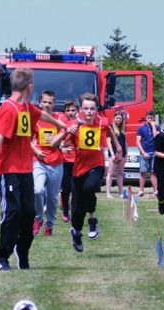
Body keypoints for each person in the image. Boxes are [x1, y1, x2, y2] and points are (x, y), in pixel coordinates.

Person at [0, 68, 69, 272]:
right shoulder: (8, 109)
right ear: (30, 87)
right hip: (9, 171)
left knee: (29, 213)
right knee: (12, 212)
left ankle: (22, 250)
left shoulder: (26, 106)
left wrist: (60, 123)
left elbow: (41, 114)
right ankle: (2, 257)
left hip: (26, 169)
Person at [51, 92, 121, 252]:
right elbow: (55, 143)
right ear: (80, 109)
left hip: (96, 165)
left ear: (97, 109)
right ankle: (76, 232)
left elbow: (110, 131)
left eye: (92, 109)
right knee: (77, 209)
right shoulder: (75, 124)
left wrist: (118, 148)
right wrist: (66, 134)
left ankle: (93, 221)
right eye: (86, 109)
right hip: (78, 169)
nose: (89, 112)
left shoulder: (102, 122)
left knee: (90, 188)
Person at [31, 90, 64, 237]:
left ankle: (49, 224)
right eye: (45, 102)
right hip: (39, 160)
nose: (47, 105)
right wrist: (35, 151)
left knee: (52, 197)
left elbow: (66, 135)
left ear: (54, 104)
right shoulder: (35, 118)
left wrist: (62, 143)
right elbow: (27, 139)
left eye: (50, 102)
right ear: (40, 103)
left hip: (56, 162)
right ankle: (38, 218)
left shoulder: (59, 118)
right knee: (37, 190)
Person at [59, 99, 78, 222]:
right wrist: (61, 147)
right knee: (65, 188)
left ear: (77, 111)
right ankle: (65, 209)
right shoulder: (61, 122)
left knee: (75, 188)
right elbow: (56, 139)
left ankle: (75, 211)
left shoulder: (80, 122)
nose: (70, 113)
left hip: (78, 159)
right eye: (68, 110)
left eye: (72, 110)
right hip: (65, 160)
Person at [135, 110, 159, 197]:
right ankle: (141, 190)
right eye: (148, 118)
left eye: (152, 118)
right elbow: (138, 141)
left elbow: (156, 136)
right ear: (145, 118)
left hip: (154, 152)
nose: (150, 119)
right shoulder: (141, 128)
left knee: (153, 172)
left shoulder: (156, 127)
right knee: (143, 172)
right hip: (144, 152)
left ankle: (156, 191)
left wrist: (153, 127)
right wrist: (143, 153)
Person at [105, 110, 127, 198]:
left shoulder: (123, 128)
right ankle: (108, 193)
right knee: (110, 173)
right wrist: (112, 154)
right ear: (114, 119)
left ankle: (121, 193)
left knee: (121, 173)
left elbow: (125, 142)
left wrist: (126, 153)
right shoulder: (110, 128)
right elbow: (108, 142)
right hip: (113, 154)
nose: (118, 120)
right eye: (117, 118)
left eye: (120, 118)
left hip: (123, 154)